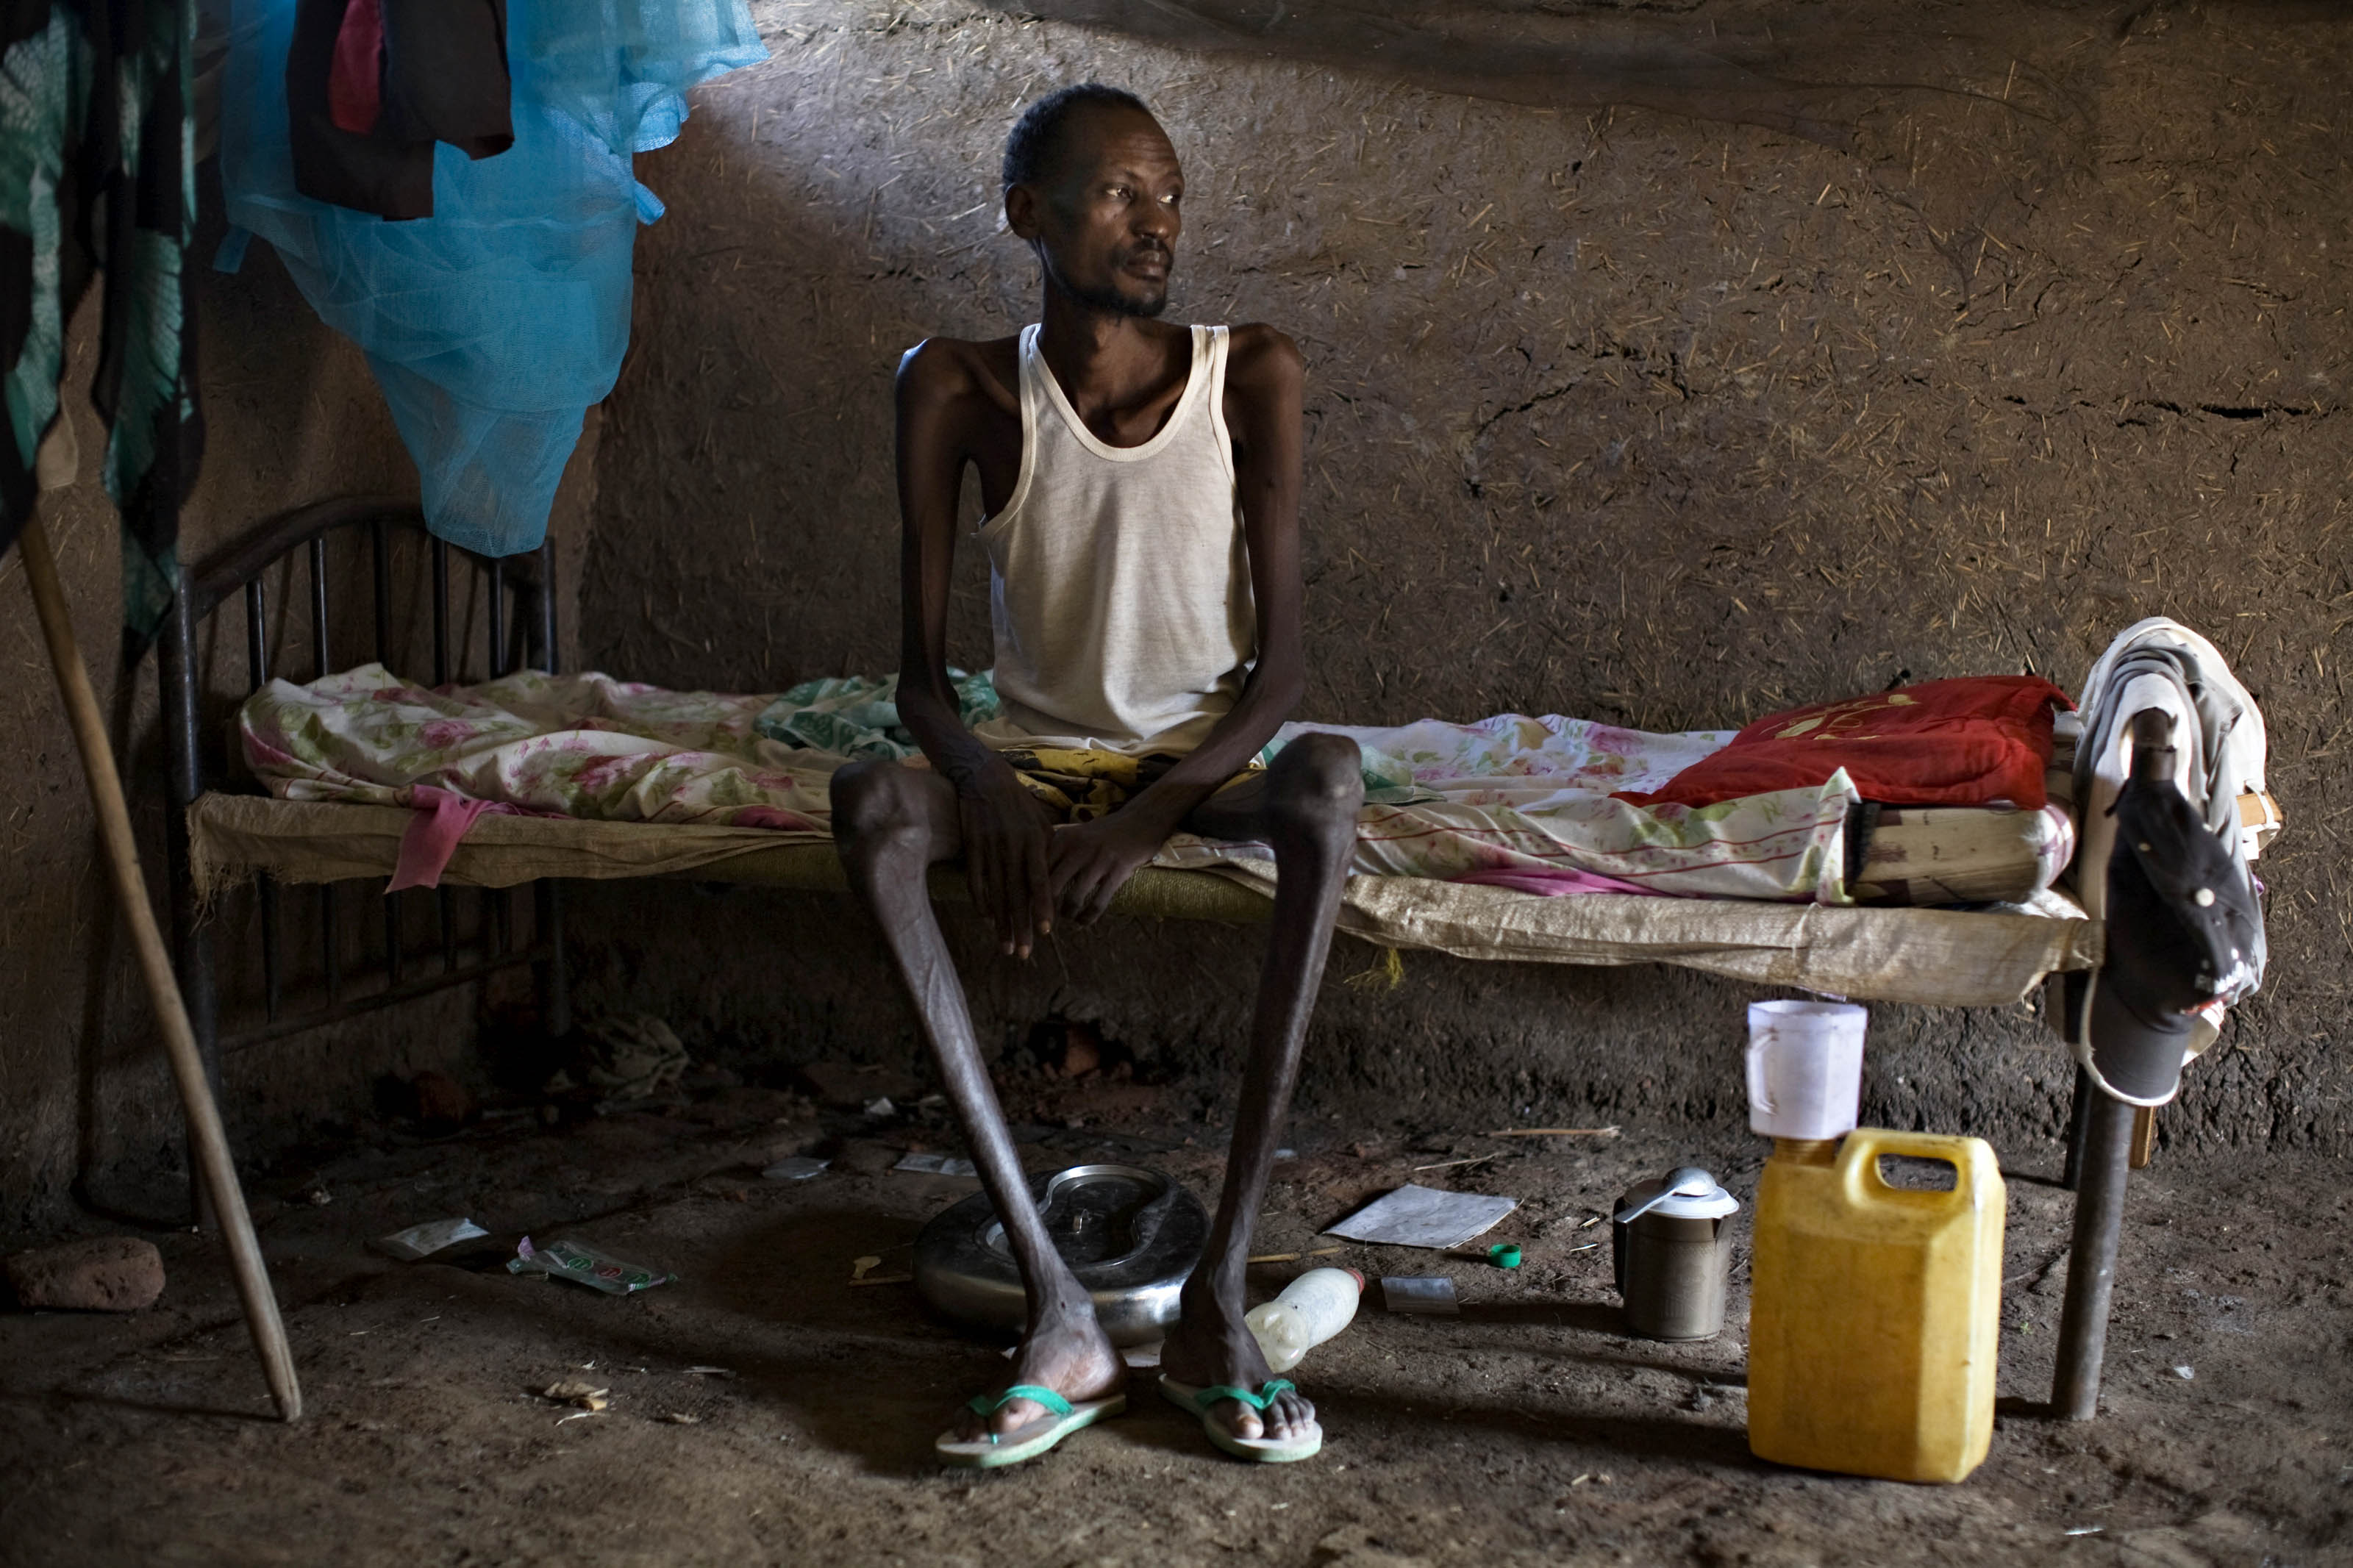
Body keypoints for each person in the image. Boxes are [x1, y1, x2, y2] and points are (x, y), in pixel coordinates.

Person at [829, 82, 1363, 1467]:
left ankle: (1218, 1300)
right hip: (1034, 761)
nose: (1157, 223)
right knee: (875, 803)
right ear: (1028, 214)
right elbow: (917, 681)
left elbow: (1283, 681)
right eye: (1121, 192)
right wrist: (989, 789)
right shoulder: (952, 385)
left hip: (1197, 764)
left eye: (1170, 193)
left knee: (1332, 784)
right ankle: (1058, 1304)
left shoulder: (1255, 373)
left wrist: (1151, 813)